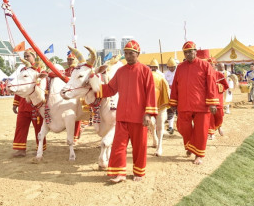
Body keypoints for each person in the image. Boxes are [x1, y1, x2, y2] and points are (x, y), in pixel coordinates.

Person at [96, 40, 157, 183]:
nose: (128, 56)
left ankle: (139, 172)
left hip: (139, 117)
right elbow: (111, 89)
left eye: (131, 54)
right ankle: (120, 174)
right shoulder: (120, 71)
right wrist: (94, 87)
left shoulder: (145, 70)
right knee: (119, 146)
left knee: (139, 147)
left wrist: (148, 113)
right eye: (126, 54)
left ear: (138, 54)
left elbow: (150, 93)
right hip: (122, 115)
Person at [169, 41, 219, 165]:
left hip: (201, 105)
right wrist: (173, 102)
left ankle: (198, 154)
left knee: (201, 131)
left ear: (195, 52)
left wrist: (212, 103)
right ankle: (191, 146)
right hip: (184, 105)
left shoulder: (205, 65)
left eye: (190, 51)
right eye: (186, 52)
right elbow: (175, 85)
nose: (188, 54)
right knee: (183, 128)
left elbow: (211, 85)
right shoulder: (180, 67)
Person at [12, 48, 46, 157]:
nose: (26, 58)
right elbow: (19, 87)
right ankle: (20, 150)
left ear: (34, 56)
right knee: (21, 126)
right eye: (25, 56)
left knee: (38, 128)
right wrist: (15, 103)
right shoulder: (22, 71)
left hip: (36, 105)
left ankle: (40, 148)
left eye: (28, 56)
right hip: (23, 104)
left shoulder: (41, 71)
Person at [207, 58, 229, 140]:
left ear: (214, 65)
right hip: (208, 100)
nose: (210, 66)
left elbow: (226, 86)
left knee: (219, 116)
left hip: (218, 99)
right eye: (208, 65)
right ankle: (211, 133)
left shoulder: (219, 75)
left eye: (211, 65)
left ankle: (219, 126)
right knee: (210, 117)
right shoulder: (204, 75)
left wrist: (218, 86)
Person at [65, 52, 82, 143]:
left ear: (75, 60)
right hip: (67, 95)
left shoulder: (78, 69)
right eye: (68, 59)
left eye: (71, 59)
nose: (69, 61)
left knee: (77, 116)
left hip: (76, 94)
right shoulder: (66, 70)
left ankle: (75, 136)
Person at [164, 57, 178, 134]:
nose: (172, 68)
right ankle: (170, 127)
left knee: (179, 111)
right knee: (170, 110)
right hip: (169, 93)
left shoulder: (178, 72)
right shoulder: (165, 74)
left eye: (173, 67)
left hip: (178, 93)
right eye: (170, 67)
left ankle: (180, 126)